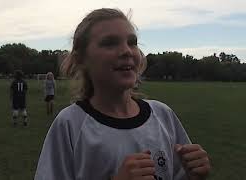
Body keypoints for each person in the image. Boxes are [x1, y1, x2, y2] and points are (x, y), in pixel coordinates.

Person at [34, 8, 211, 180]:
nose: (127, 51)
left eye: (132, 42)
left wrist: (193, 174)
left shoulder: (163, 115)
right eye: (110, 43)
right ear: (81, 59)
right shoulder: (70, 124)